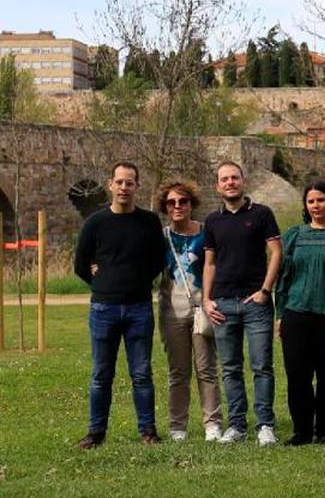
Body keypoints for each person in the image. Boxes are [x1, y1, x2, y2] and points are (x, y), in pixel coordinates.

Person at [73, 161, 167, 449]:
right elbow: (80, 263)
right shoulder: (95, 222)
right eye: (120, 182)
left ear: (137, 186)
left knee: (141, 374)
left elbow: (157, 261)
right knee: (101, 374)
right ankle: (95, 433)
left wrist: (137, 280)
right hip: (104, 309)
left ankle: (148, 432)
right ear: (110, 184)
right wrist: (103, 285)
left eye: (130, 182)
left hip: (139, 307)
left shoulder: (149, 222)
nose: (124, 187)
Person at [201, 161, 283, 446]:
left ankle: (264, 426)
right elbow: (209, 263)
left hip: (255, 303)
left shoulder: (261, 214)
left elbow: (275, 253)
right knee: (230, 368)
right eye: (224, 179)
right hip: (223, 303)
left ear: (243, 181)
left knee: (262, 366)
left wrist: (265, 290)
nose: (230, 183)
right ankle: (236, 426)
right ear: (218, 185)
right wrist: (206, 300)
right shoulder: (212, 221)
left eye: (234, 177)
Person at [277, 181, 325, 446]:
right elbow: (284, 277)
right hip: (296, 314)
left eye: (320, 200)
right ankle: (301, 431)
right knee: (297, 375)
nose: (316, 205)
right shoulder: (295, 235)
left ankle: (324, 431)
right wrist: (280, 313)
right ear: (305, 206)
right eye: (311, 201)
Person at [156, 179, 222, 442]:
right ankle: (178, 426)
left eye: (183, 201)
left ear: (192, 204)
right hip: (172, 310)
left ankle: (213, 423)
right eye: (171, 202)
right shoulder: (161, 237)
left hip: (202, 307)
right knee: (178, 371)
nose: (177, 206)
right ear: (165, 207)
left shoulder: (207, 232)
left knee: (206, 368)